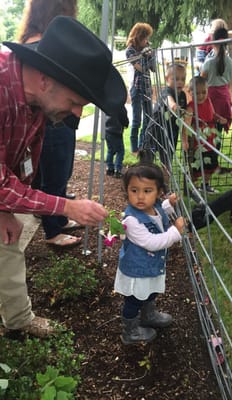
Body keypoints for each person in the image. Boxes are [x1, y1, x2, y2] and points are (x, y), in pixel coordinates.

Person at [0, 16, 127, 337]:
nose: (76, 114)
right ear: (45, 80)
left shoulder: (36, 103)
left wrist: (4, 211)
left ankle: (18, 321)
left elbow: (20, 163)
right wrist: (67, 207)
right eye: (74, 102)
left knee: (7, 244)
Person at [17, 0, 82, 248]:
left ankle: (53, 215)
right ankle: (53, 229)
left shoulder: (31, 40)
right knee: (55, 175)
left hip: (51, 121)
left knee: (44, 174)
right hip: (54, 122)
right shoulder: (49, 45)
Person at [114, 158, 185, 344]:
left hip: (150, 266)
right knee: (134, 300)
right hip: (137, 270)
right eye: (134, 190)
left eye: (147, 191)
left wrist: (169, 204)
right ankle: (130, 332)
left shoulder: (154, 207)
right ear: (127, 191)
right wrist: (175, 232)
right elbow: (151, 242)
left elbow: (160, 211)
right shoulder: (131, 220)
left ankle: (148, 315)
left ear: (158, 192)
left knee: (150, 292)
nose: (140, 197)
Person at [183, 76, 227, 194]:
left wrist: (219, 118)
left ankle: (205, 185)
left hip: (210, 141)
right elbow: (185, 126)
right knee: (196, 167)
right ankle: (192, 188)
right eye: (197, 93)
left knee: (210, 164)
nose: (201, 96)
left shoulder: (208, 101)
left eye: (204, 92)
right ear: (189, 91)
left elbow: (212, 114)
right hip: (198, 144)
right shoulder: (191, 107)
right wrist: (185, 141)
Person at [143, 62, 187, 170]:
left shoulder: (183, 96)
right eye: (176, 79)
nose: (180, 82)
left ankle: (165, 185)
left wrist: (184, 137)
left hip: (171, 135)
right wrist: (173, 105)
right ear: (167, 79)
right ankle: (143, 179)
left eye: (183, 79)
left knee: (167, 164)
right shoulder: (166, 91)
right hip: (155, 132)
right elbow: (168, 99)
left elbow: (185, 118)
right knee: (146, 161)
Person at [126, 22, 156, 155]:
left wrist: (151, 56)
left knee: (148, 119)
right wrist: (146, 56)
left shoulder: (148, 48)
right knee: (137, 119)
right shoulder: (130, 50)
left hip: (147, 88)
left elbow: (153, 69)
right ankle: (134, 148)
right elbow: (141, 68)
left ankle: (143, 145)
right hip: (136, 88)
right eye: (146, 38)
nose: (147, 41)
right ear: (139, 37)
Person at [201, 27, 232, 135]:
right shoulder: (230, 61)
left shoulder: (209, 62)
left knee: (209, 127)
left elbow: (202, 80)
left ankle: (209, 150)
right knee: (218, 130)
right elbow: (230, 80)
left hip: (211, 98)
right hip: (224, 97)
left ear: (213, 42)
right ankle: (216, 150)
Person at [105, 111, 129, 178]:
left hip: (107, 130)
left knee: (110, 150)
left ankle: (110, 169)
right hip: (116, 131)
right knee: (120, 151)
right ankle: (117, 170)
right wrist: (126, 124)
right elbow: (124, 118)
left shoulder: (108, 104)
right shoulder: (120, 106)